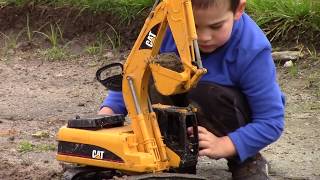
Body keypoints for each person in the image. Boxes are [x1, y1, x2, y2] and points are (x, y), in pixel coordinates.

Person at [99, 0, 285, 179]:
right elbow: (135, 74)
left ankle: (245, 159)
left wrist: (225, 144)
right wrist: (108, 113)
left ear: (238, 10)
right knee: (155, 75)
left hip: (229, 118)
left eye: (216, 26)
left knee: (205, 91)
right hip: (180, 114)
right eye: (193, 27)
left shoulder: (251, 49)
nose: (203, 37)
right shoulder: (164, 28)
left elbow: (271, 121)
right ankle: (173, 155)